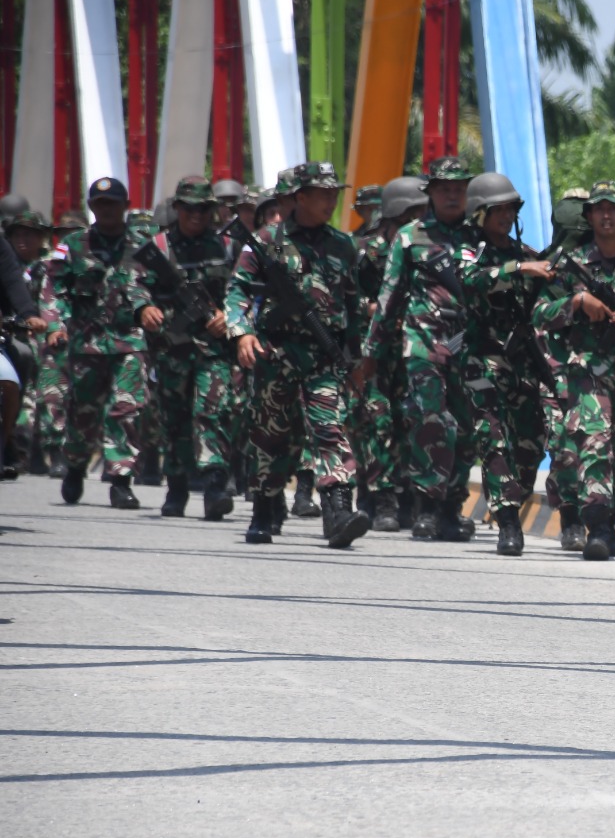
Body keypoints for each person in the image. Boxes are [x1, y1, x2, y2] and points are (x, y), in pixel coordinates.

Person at [225, 161, 370, 548]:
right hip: (276, 353)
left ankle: (339, 510)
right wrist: (242, 334)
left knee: (330, 429)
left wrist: (355, 362)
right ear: (299, 197)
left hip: (324, 356)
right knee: (272, 435)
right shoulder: (265, 240)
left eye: (334, 193)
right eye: (323, 194)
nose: (331, 200)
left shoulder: (344, 245)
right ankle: (264, 509)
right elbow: (237, 291)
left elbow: (353, 309)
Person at [531, 180, 615, 561]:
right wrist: (577, 302)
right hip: (587, 368)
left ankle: (610, 520)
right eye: (599, 209)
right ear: (589, 217)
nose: (606, 215)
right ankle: (597, 523)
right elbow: (539, 314)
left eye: (614, 209)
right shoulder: (573, 264)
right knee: (594, 442)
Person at [363, 156, 479, 541]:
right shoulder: (410, 236)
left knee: (466, 427)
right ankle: (426, 506)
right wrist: (372, 350)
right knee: (431, 421)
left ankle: (451, 506)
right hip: (424, 344)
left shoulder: (478, 238)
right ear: (430, 192)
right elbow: (389, 295)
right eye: (444, 188)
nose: (452, 195)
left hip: (471, 347)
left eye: (459, 189)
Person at [39, 177, 154, 508]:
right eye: (100, 204)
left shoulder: (143, 244)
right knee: (83, 413)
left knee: (127, 408)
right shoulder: (73, 245)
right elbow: (53, 290)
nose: (107, 210)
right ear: (91, 207)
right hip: (86, 343)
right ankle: (75, 463)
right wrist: (54, 325)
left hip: (129, 342)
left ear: (125, 206)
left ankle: (120, 478)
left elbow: (162, 281)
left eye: (113, 204)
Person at [458, 172, 556, 556]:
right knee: (493, 436)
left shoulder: (527, 255)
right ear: (480, 213)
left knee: (531, 441)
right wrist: (518, 271)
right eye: (496, 209)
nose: (504, 215)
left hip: (522, 363)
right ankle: (508, 521)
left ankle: (514, 501)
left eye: (510, 209)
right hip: (481, 359)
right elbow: (468, 279)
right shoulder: (470, 249)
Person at [136, 176, 239, 521]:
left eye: (205, 208)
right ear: (177, 207)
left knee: (213, 412)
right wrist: (143, 308)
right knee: (174, 420)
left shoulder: (226, 246)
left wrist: (230, 315)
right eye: (190, 208)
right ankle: (177, 485)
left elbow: (245, 289)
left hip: (213, 349)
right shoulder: (159, 248)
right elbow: (134, 285)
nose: (197, 215)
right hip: (171, 348)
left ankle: (214, 484)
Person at [350, 175, 426, 531]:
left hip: (414, 351)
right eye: (415, 213)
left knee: (409, 421)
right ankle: (380, 500)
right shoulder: (367, 252)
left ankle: (408, 496)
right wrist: (370, 309)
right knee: (377, 421)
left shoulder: (428, 247)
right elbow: (343, 294)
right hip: (376, 351)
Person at [545, 186, 593, 551]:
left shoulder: (612, 262)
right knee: (563, 445)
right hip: (555, 366)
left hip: (601, 369)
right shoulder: (550, 268)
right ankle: (571, 518)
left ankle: (598, 517)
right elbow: (538, 314)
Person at [6, 212, 58, 475]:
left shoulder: (50, 267)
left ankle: (44, 449)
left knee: (47, 390)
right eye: (18, 233)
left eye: (30, 233)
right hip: (9, 334)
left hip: (43, 337)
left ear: (42, 238)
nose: (23, 239)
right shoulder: (6, 263)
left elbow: (53, 304)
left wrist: (46, 325)